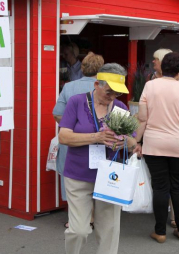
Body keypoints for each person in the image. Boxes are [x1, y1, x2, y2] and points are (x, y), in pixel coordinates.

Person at [58, 63, 137, 254]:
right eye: (109, 92)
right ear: (97, 85)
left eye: (117, 93)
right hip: (78, 175)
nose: (112, 97)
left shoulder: (119, 107)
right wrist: (96, 137)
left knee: (109, 230)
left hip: (110, 175)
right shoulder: (77, 102)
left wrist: (124, 142)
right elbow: (64, 137)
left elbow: (133, 142)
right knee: (79, 230)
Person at [133, 52, 179, 243]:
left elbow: (142, 119)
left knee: (160, 187)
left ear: (163, 67)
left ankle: (160, 232)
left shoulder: (150, 86)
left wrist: (137, 141)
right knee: (178, 186)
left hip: (154, 144)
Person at [52, 52, 104, 228]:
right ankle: (95, 216)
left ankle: (77, 218)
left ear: (82, 68)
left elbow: (57, 113)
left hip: (74, 141)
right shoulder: (104, 87)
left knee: (73, 181)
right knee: (97, 177)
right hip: (99, 142)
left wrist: (72, 126)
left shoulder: (69, 87)